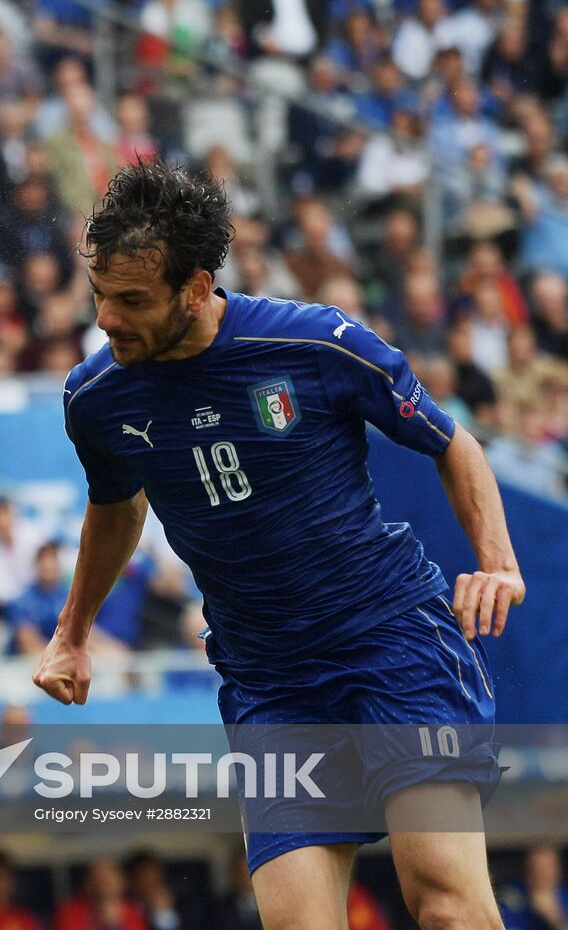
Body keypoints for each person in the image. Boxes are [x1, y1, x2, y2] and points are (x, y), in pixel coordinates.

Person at [34, 162, 522, 930]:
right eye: (98, 292)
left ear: (195, 288)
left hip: (391, 641)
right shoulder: (96, 398)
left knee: (447, 903)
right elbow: (115, 507)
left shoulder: (318, 343)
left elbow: (454, 444)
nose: (105, 317)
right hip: (270, 683)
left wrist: (497, 562)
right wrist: (72, 633)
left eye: (130, 300)